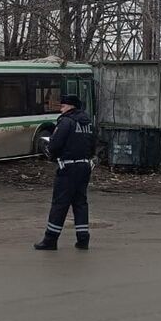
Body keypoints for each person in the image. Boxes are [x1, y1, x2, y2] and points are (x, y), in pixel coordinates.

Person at [34, 95, 96, 250]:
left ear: (70, 107)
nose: (61, 108)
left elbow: (55, 144)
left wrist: (49, 151)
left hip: (68, 167)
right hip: (85, 166)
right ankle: (83, 238)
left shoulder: (66, 122)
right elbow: (94, 145)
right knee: (80, 203)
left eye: (63, 106)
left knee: (60, 204)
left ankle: (50, 239)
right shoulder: (88, 123)